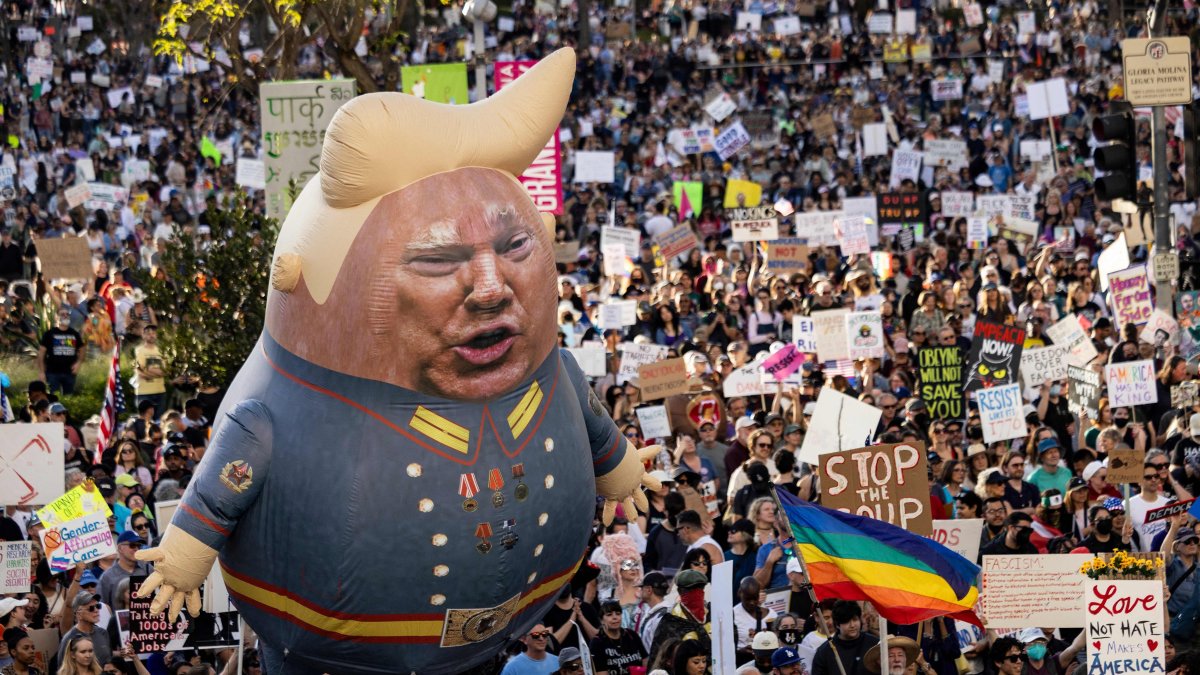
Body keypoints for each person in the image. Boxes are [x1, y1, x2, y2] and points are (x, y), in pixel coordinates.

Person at [811, 601, 874, 675]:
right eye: (846, 621)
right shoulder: (825, 652)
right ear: (837, 624)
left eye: (855, 619)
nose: (852, 625)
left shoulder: (874, 645)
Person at [590, 600, 647, 675]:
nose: (615, 617)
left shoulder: (632, 635)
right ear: (601, 620)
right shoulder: (597, 643)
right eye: (609, 615)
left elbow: (645, 660)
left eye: (618, 614)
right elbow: (601, 673)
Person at [97, 531, 152, 609]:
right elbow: (103, 608)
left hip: (146, 618)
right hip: (120, 620)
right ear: (120, 548)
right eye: (132, 545)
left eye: (139, 546)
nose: (136, 549)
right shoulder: (107, 577)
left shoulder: (148, 569)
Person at [56, 593, 111, 668]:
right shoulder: (69, 639)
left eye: (98, 606)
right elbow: (63, 670)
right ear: (79, 614)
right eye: (91, 608)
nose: (96, 610)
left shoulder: (103, 633)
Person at [37, 308, 84, 395]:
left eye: (67, 314)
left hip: (70, 373)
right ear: (56, 317)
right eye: (62, 314)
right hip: (52, 373)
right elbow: (41, 354)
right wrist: (41, 372)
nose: (65, 316)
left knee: (69, 398)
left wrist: (78, 363)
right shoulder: (49, 334)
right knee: (53, 398)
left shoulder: (74, 333)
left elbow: (81, 349)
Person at [1163, 520, 1199, 618]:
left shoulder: (1198, 567)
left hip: (1194, 623)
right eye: (1187, 541)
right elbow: (1163, 556)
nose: (1192, 544)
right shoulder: (1173, 564)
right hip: (1174, 622)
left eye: (1195, 541)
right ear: (1177, 546)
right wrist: (1174, 526)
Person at [733, 577, 777, 655]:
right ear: (740, 594)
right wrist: (740, 652)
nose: (752, 603)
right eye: (748, 599)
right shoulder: (733, 615)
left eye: (755, 598)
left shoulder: (771, 614)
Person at [132, 324, 166, 413]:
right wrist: (157, 373)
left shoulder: (162, 350)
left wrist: (149, 370)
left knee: (159, 422)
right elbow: (140, 373)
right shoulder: (139, 350)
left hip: (160, 391)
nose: (151, 335)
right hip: (144, 392)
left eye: (153, 333)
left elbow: (165, 371)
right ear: (143, 335)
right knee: (144, 422)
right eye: (148, 333)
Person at [638, 572, 673, 653]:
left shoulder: (663, 616)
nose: (640, 591)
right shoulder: (652, 611)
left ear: (649, 590)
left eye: (642, 588)